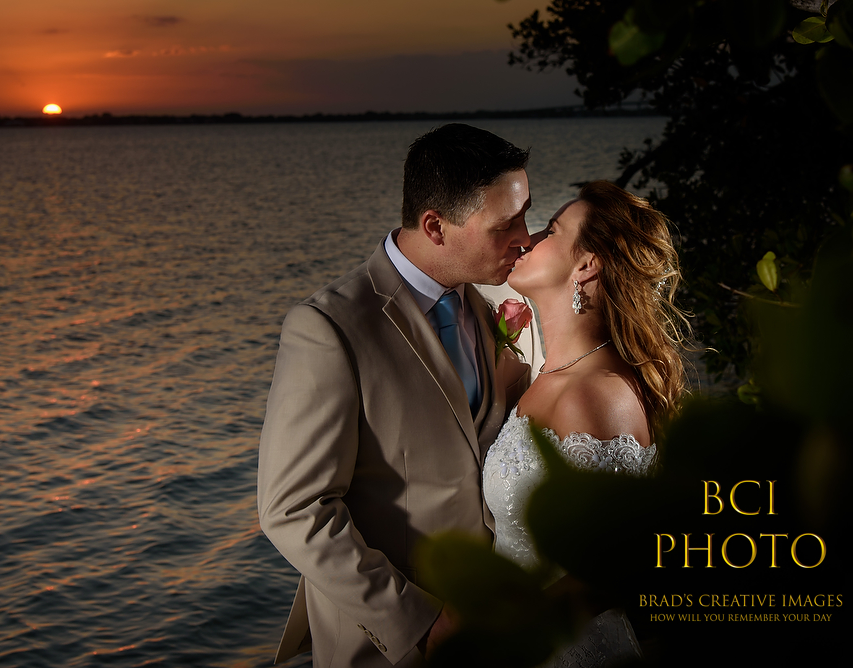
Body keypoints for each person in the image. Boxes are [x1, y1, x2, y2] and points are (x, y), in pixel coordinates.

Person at [257, 124, 538, 667]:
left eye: (524, 215)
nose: (524, 238)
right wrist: (420, 622)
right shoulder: (330, 328)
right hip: (392, 647)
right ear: (435, 226)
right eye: (505, 225)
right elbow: (293, 509)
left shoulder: (492, 302)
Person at [482, 180, 688, 666]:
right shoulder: (550, 375)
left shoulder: (595, 394)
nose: (529, 239)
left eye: (552, 230)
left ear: (586, 265)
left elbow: (615, 567)